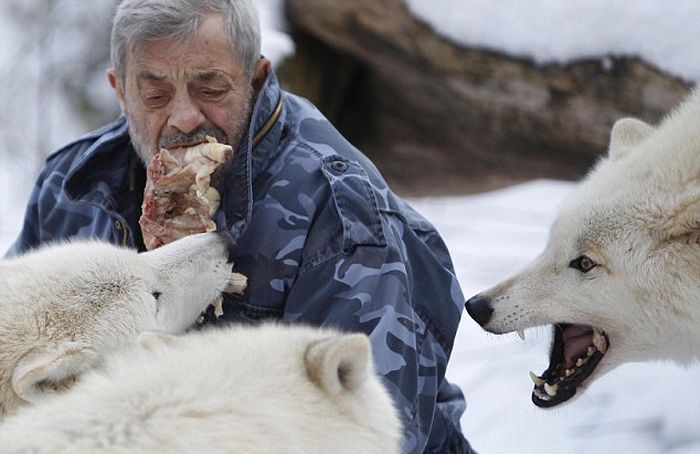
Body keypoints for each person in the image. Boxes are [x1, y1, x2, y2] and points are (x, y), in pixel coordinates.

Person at [7, 0, 473, 452]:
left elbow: (374, 429)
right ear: (121, 92)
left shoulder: (341, 212)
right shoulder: (72, 187)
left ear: (256, 77)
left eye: (210, 89)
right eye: (155, 94)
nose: (184, 118)